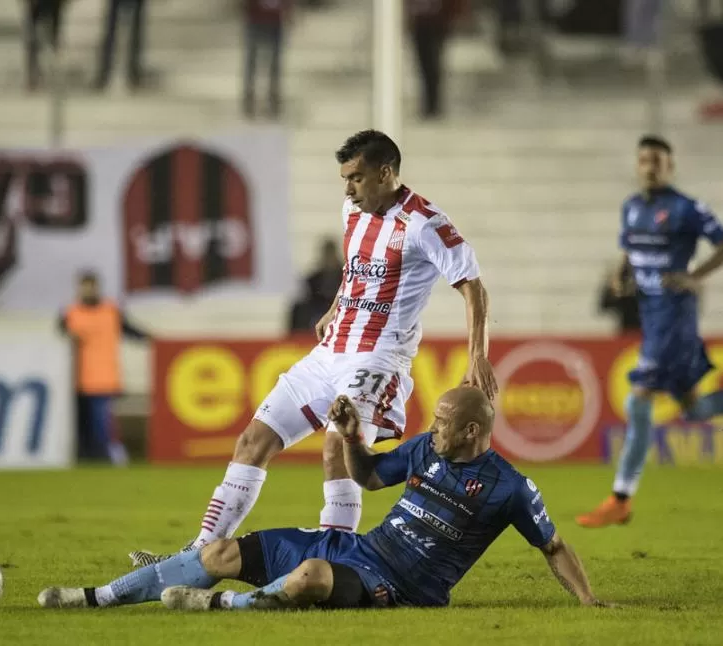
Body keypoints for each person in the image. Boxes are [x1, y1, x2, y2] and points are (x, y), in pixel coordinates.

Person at [129, 129, 497, 567]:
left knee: (337, 446)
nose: (347, 189)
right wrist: (335, 305)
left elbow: (472, 286)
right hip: (330, 353)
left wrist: (477, 354)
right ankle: (194, 555)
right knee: (252, 441)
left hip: (378, 358)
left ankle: (335, 558)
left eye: (356, 178)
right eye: (345, 178)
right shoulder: (353, 211)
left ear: (386, 173)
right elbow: (357, 269)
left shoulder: (424, 224)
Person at [39, 388, 610, 610]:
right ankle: (96, 598)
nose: (431, 429)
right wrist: (348, 436)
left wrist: (587, 602)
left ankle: (219, 607)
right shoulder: (421, 451)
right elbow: (367, 477)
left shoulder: (509, 486)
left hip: (402, 586)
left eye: (441, 423)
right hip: (357, 547)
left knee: (312, 575)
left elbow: (554, 546)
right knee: (220, 554)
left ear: (469, 432)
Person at [577, 135, 723, 528]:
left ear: (670, 166)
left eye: (657, 160)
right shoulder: (631, 208)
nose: (649, 166)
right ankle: (621, 498)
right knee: (694, 410)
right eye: (644, 159)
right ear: (637, 164)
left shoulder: (685, 208)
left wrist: (695, 275)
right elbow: (630, 251)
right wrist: (621, 277)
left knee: (638, 399)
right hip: (652, 318)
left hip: (675, 322)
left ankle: (620, 497)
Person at [59, 271, 149, 465]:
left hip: (104, 377)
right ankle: (89, 456)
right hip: (76, 378)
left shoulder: (111, 310)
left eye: (91, 286)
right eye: (85, 286)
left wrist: (154, 340)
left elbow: (132, 331)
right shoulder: (70, 312)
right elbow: (58, 341)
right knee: (83, 423)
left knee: (102, 422)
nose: (89, 290)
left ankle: (112, 455)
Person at [243, 0, 292, 119]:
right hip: (256, 20)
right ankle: (250, 98)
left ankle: (273, 98)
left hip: (275, 21)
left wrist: (289, 12)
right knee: (253, 63)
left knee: (274, 64)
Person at [288, 238, 343, 334]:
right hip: (317, 308)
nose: (329, 258)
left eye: (331, 254)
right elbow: (309, 297)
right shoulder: (314, 278)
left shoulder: (345, 276)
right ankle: (298, 339)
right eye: (327, 255)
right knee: (298, 309)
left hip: (337, 307)